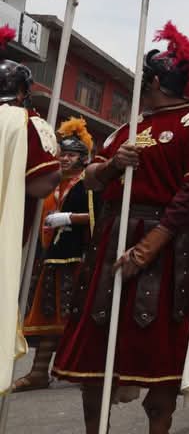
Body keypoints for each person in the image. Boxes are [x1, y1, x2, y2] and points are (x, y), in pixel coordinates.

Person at [53, 22, 189, 433]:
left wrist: (151, 245)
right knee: (97, 353)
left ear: (154, 80)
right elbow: (92, 180)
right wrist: (114, 165)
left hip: (167, 244)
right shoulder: (128, 129)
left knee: (159, 353)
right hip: (112, 236)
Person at [15, 117, 96, 392]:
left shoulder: (89, 183)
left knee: (77, 316)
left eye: (71, 154)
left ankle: (83, 370)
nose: (64, 159)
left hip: (79, 259)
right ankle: (39, 373)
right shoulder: (51, 183)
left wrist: (70, 218)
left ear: (84, 159)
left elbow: (101, 216)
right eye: (62, 154)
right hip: (52, 257)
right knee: (47, 316)